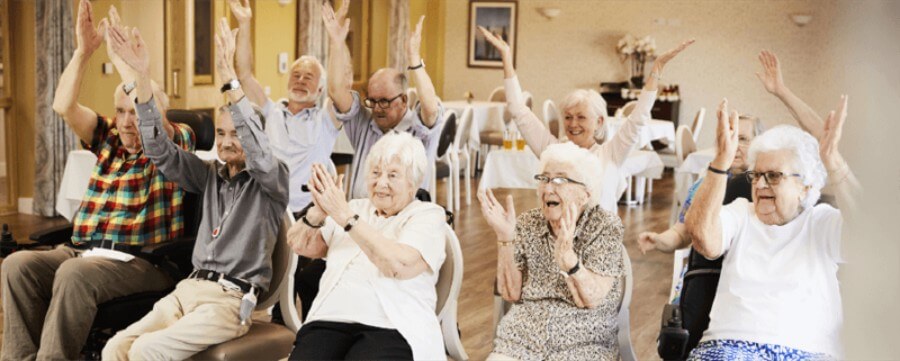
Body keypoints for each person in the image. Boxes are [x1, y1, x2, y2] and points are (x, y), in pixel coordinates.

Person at [0, 3, 194, 360]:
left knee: (75, 273)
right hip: (86, 252)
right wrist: (82, 52)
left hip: (141, 263)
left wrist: (130, 66)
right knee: (16, 265)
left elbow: (156, 127)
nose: (125, 121)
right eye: (120, 111)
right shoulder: (108, 137)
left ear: (154, 111)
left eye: (134, 112)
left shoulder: (174, 143)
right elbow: (62, 105)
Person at [101, 18, 289, 360]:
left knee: (145, 350)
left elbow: (259, 154)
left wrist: (228, 77)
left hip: (231, 302)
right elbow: (159, 150)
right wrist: (141, 78)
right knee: (116, 347)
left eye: (236, 134)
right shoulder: (209, 175)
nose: (227, 142)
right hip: (188, 289)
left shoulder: (272, 181)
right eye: (221, 134)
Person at [683, 96, 859, 359]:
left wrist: (834, 161)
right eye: (757, 175)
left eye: (774, 176)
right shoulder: (741, 213)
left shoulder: (821, 222)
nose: (761, 184)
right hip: (728, 347)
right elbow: (703, 238)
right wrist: (720, 163)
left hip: (807, 351)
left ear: (805, 187)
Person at [479, 27, 694, 211]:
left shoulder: (611, 153)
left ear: (599, 122)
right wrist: (506, 57)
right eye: (568, 117)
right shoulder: (552, 150)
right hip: (559, 239)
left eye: (581, 117)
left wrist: (656, 70)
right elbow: (518, 110)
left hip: (599, 246)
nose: (573, 124)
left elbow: (637, 119)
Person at [286, 132, 447, 360]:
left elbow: (398, 265)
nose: (381, 183)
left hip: (393, 324)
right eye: (375, 173)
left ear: (414, 182)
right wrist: (318, 212)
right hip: (330, 318)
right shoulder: (356, 206)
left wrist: (345, 217)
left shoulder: (428, 215)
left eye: (393, 175)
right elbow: (300, 245)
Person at [480, 142, 627, 360]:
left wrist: (570, 261)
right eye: (544, 179)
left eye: (560, 180)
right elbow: (511, 293)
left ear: (584, 194)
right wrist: (505, 237)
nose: (548, 188)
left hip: (583, 344)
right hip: (522, 340)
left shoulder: (604, 226)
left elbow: (593, 298)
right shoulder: (528, 223)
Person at [323, 0, 445, 200]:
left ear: (404, 100)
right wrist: (336, 43)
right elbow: (336, 91)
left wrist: (414, 60)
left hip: (402, 222)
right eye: (372, 100)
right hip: (359, 218)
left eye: (385, 102)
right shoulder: (364, 123)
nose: (377, 108)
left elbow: (431, 110)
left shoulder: (419, 132)